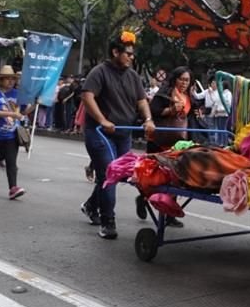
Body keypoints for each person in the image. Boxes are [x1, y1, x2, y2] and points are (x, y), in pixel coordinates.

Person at [80, 32, 155, 240]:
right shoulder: (99, 72)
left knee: (121, 174)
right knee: (108, 174)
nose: (132, 57)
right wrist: (102, 120)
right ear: (116, 52)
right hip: (99, 133)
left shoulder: (133, 76)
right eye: (128, 54)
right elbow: (87, 97)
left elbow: (141, 101)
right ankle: (107, 221)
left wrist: (148, 119)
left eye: (132, 54)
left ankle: (90, 205)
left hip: (123, 133)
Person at [139, 66, 192, 228]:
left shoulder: (188, 97)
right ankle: (142, 199)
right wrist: (170, 110)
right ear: (174, 79)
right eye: (181, 79)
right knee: (154, 178)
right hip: (158, 142)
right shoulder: (164, 94)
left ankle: (169, 214)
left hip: (177, 144)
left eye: (187, 80)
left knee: (174, 178)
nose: (184, 83)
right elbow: (153, 111)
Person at [0, 65, 26, 200]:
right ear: (0, 80)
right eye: (7, 79)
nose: (10, 81)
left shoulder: (18, 94)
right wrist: (12, 114)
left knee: (11, 161)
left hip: (12, 134)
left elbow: (23, 112)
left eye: (12, 79)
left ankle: (13, 188)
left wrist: (35, 104)